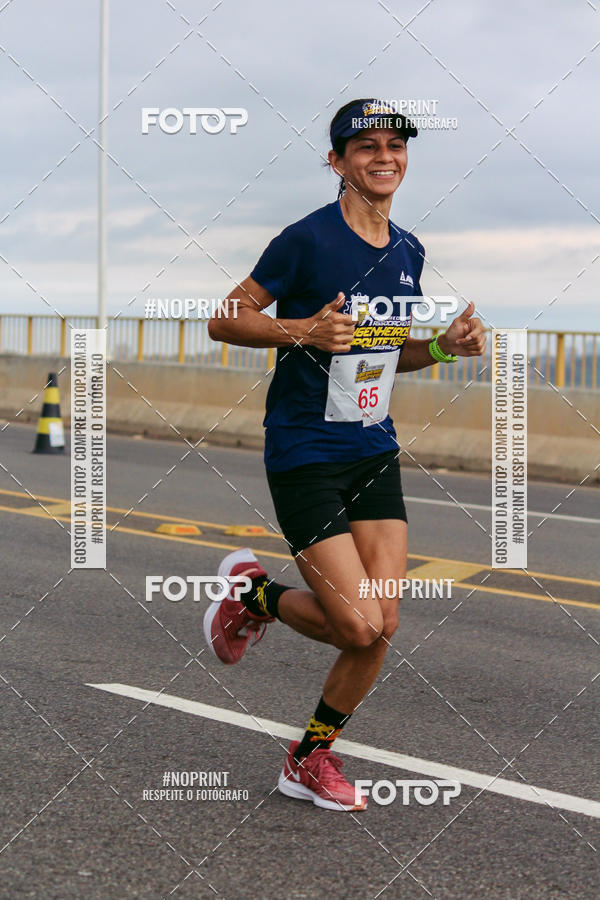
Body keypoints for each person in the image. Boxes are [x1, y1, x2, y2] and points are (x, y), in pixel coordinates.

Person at [204, 98, 486, 811]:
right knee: (356, 623)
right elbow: (224, 317)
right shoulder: (305, 240)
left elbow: (388, 357)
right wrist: (301, 329)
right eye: (365, 147)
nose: (383, 156)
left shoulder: (409, 250)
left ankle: (307, 759)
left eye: (395, 144)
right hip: (303, 450)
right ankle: (255, 594)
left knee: (379, 628)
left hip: (372, 449)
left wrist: (444, 348)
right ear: (336, 162)